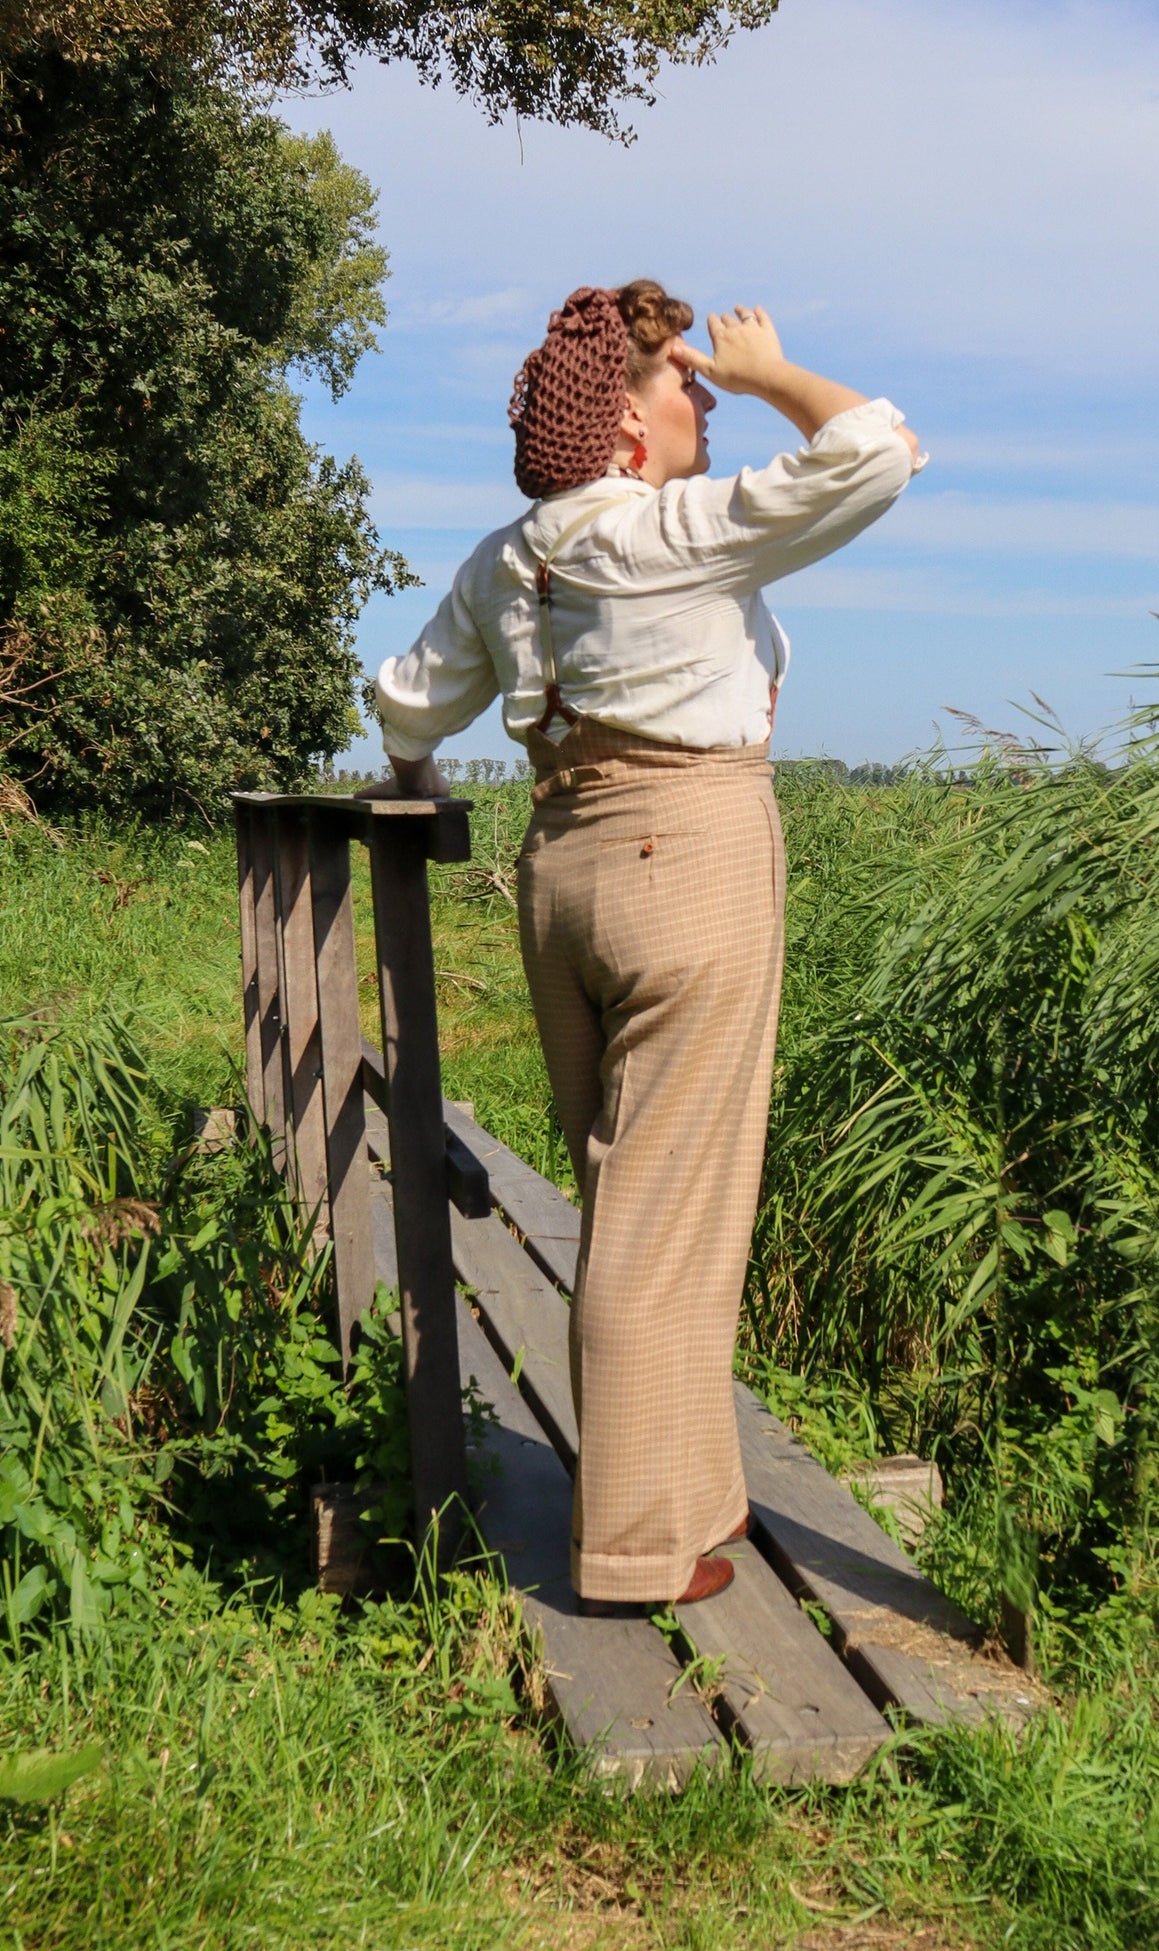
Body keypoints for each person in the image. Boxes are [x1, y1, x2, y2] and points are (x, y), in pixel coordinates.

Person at [366, 280, 922, 1612]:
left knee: (628, 1198)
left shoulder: (509, 559)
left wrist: (412, 783)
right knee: (665, 1221)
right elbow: (879, 453)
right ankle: (630, 1547)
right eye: (685, 383)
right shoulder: (670, 532)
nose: (710, 398)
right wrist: (780, 370)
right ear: (625, 429)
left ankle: (681, 1495)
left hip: (562, 870)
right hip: (690, 859)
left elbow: (408, 701)